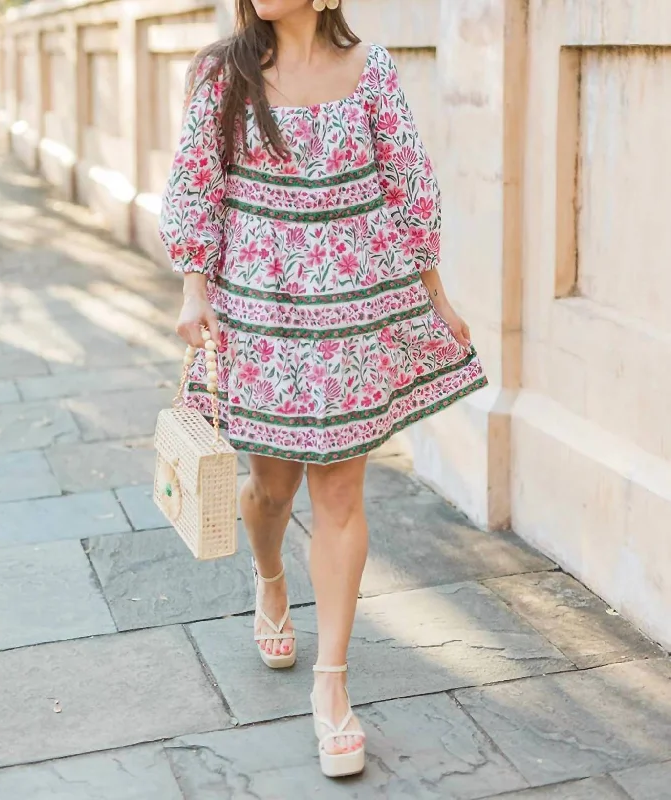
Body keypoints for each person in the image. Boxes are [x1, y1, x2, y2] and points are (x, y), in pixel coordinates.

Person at [159, 0, 486, 778]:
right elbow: (194, 185)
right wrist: (191, 290)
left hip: (353, 306)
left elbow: (407, 185)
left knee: (339, 495)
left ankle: (331, 687)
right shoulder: (221, 72)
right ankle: (269, 578)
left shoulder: (370, 70)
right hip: (258, 305)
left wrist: (433, 291)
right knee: (269, 491)